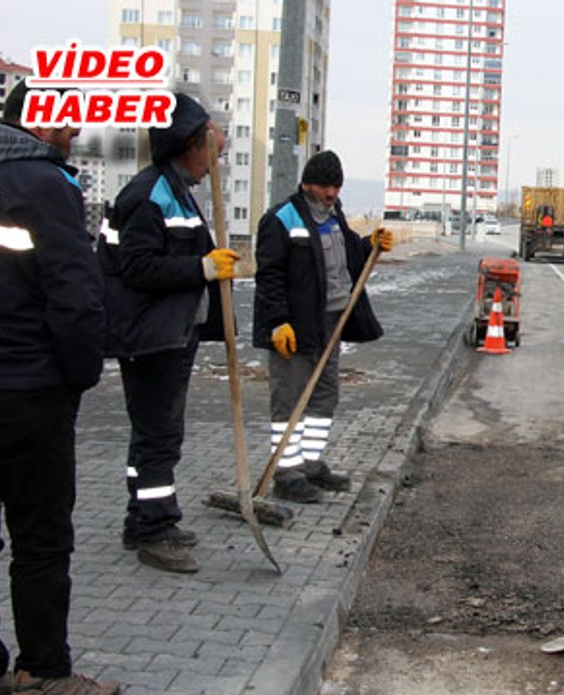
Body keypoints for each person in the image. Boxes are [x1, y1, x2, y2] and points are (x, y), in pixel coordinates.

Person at [0, 81, 120, 695]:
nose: (76, 134)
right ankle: (42, 674)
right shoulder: (46, 183)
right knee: (41, 538)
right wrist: (77, 375)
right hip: (25, 388)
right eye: (70, 121)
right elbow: (74, 294)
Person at [98, 93, 238, 574]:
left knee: (153, 435)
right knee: (158, 436)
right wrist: (202, 267)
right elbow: (137, 268)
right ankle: (155, 530)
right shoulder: (148, 195)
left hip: (171, 333)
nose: (214, 166)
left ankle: (141, 519)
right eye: (213, 154)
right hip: (150, 336)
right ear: (189, 145)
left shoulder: (177, 190)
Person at [252, 151, 392, 503]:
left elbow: (350, 255)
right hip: (295, 327)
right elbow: (268, 277)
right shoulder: (281, 219)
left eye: (336, 187)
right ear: (306, 185)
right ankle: (287, 474)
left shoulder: (334, 216)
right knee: (289, 400)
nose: (331, 193)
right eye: (325, 186)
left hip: (332, 320)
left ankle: (311, 464)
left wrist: (371, 244)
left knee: (325, 394)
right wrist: (278, 322)